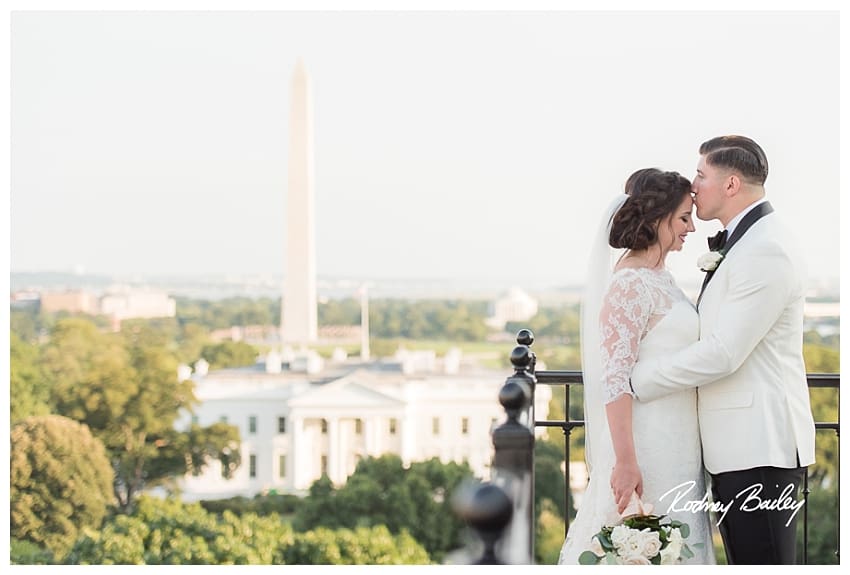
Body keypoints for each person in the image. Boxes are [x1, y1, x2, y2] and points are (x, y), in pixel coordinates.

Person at [630, 136, 816, 564]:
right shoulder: (747, 241)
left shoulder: (765, 249)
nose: (693, 187)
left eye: (701, 175)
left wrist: (638, 379)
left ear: (731, 184)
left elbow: (723, 352)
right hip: (739, 447)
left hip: (760, 450)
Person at [558, 168, 715, 565]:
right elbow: (613, 379)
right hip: (648, 445)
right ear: (656, 218)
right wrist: (626, 461)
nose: (691, 227)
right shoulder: (629, 284)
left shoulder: (660, 277)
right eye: (683, 217)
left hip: (680, 441)